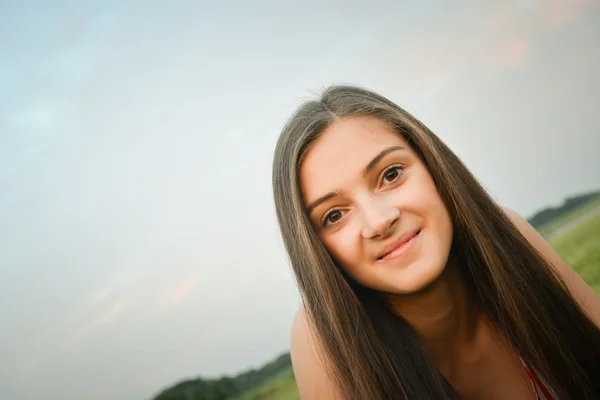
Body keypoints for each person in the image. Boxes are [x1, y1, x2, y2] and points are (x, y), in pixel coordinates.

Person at [271, 85, 600, 399]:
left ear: (433, 165)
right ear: (315, 249)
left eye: (391, 174)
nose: (379, 221)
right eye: (334, 216)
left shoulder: (507, 237)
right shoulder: (323, 337)